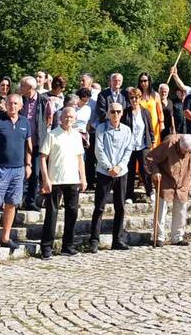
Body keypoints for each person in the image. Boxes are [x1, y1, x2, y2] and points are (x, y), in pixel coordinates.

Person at [0, 93, 32, 251]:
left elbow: (29, 146)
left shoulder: (25, 123)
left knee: (11, 204)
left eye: (16, 103)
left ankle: (5, 237)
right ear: (5, 104)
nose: (12, 106)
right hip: (0, 169)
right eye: (10, 103)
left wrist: (28, 165)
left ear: (21, 106)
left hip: (18, 170)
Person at [39, 106, 87, 258]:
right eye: (66, 116)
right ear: (60, 118)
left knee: (72, 213)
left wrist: (83, 178)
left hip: (72, 179)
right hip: (55, 180)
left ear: (74, 119)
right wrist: (45, 178)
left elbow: (80, 159)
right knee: (51, 214)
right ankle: (46, 247)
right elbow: (42, 158)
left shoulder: (77, 136)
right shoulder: (52, 135)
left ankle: (68, 246)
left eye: (71, 117)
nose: (68, 119)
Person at [90, 102, 133, 252]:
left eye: (118, 111)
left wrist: (119, 167)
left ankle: (117, 239)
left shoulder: (127, 131)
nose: (115, 114)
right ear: (108, 113)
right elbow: (98, 150)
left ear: (122, 113)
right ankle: (94, 240)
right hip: (104, 172)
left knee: (120, 207)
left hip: (121, 172)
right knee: (99, 207)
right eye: (112, 111)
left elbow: (128, 150)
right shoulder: (101, 129)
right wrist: (109, 167)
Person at [146, 133, 191, 246]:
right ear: (179, 145)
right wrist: (155, 171)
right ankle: (159, 237)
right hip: (166, 178)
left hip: (184, 179)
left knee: (181, 208)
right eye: (183, 151)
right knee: (161, 207)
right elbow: (151, 158)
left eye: (188, 152)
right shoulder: (169, 143)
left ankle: (177, 237)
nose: (186, 154)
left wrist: (190, 177)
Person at [19, 75, 53, 210]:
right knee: (20, 171)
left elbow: (50, 117)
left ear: (30, 88)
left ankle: (30, 201)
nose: (20, 88)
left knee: (35, 173)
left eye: (22, 86)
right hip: (21, 141)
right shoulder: (20, 99)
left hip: (38, 141)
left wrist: (42, 132)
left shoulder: (44, 100)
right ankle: (16, 200)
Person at [123, 87, 155, 201]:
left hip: (143, 145)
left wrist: (153, 143)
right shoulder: (125, 112)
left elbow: (150, 128)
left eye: (136, 97)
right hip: (129, 147)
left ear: (140, 98)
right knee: (130, 171)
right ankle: (129, 195)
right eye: (132, 98)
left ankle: (150, 192)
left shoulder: (145, 112)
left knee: (145, 169)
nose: (134, 100)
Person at [136, 73, 163, 149]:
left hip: (154, 124)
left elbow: (160, 111)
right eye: (141, 81)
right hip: (141, 123)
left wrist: (161, 123)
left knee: (154, 145)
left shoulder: (155, 95)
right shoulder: (137, 95)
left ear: (149, 81)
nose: (143, 83)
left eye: (145, 81)